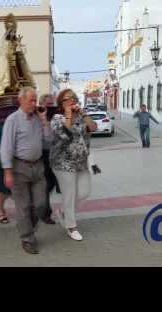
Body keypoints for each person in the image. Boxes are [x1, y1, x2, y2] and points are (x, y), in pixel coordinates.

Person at [0, 87, 52, 254]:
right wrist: (7, 172)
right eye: (31, 100)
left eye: (35, 100)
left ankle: (27, 228)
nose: (34, 103)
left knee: (41, 205)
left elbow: (48, 143)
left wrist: (45, 122)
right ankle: (27, 238)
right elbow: (6, 148)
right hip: (18, 168)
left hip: (38, 166)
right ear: (20, 100)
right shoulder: (12, 120)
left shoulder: (38, 118)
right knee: (23, 208)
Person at [49, 89, 97, 241]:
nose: (70, 101)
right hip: (62, 162)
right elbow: (65, 134)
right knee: (69, 194)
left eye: (73, 98)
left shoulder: (81, 116)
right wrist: (69, 114)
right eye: (66, 99)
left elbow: (93, 128)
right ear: (61, 104)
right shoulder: (57, 118)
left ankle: (64, 212)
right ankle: (71, 226)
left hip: (81, 162)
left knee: (84, 192)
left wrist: (83, 114)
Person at [39, 93, 61, 225]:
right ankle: (46, 213)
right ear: (42, 104)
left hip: (55, 154)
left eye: (52, 104)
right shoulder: (38, 117)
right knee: (46, 185)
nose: (51, 106)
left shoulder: (56, 117)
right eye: (48, 104)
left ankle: (43, 209)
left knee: (50, 184)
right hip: (43, 155)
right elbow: (46, 139)